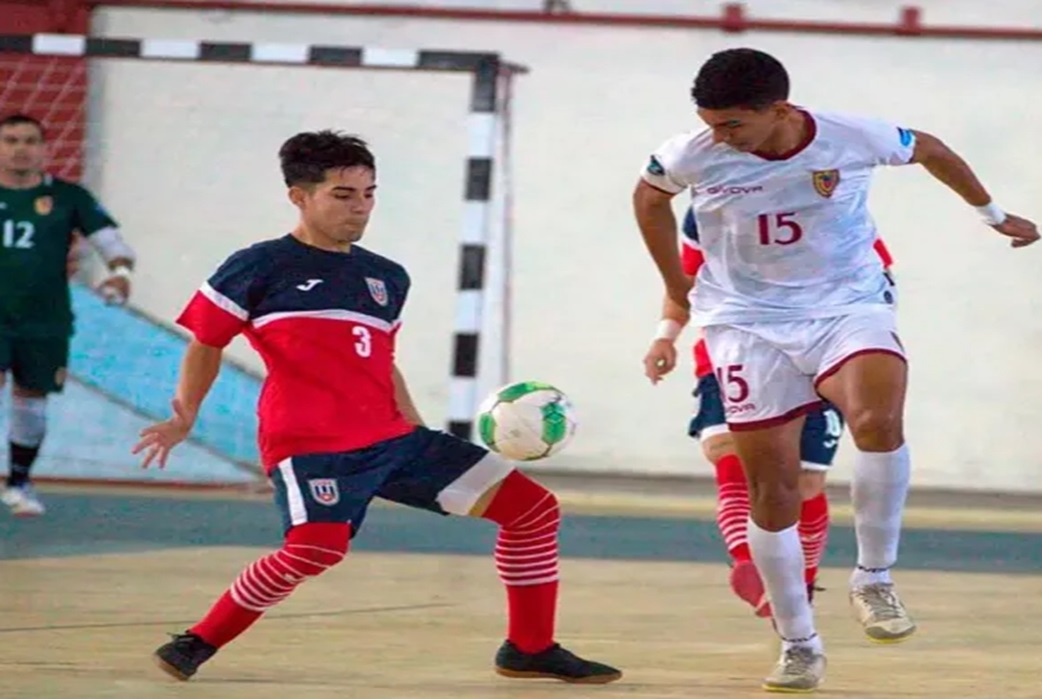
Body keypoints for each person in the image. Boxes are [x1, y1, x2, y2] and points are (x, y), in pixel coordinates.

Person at [133, 130, 621, 685]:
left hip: (392, 437)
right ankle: (199, 640)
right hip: (311, 445)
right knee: (316, 551)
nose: (360, 207)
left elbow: (381, 359)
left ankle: (530, 648)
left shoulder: (386, 277)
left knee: (532, 511)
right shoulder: (259, 265)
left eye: (369, 193)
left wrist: (413, 423)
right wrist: (185, 416)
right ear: (299, 196)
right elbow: (207, 341)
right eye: (343, 194)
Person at [632, 49, 1040, 692]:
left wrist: (991, 214)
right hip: (745, 322)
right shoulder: (693, 154)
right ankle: (799, 643)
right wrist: (674, 295)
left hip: (845, 303)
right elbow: (648, 200)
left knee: (877, 418)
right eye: (710, 123)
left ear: (780, 111)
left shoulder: (851, 136)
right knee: (774, 493)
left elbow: (931, 150)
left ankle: (874, 577)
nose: (720, 136)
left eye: (733, 125)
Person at [643, 209, 897, 620]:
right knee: (728, 451)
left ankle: (802, 585)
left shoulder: (832, 201)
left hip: (816, 353)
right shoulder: (710, 207)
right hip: (733, 350)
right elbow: (683, 282)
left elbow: (877, 273)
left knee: (805, 482)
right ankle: (747, 564)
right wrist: (664, 338)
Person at [0, 113, 135, 516]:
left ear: (43, 149)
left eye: (29, 140)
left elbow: (112, 244)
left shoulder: (68, 197)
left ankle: (19, 483)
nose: (20, 148)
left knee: (32, 402)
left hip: (45, 320)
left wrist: (121, 274)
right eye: (10, 140)